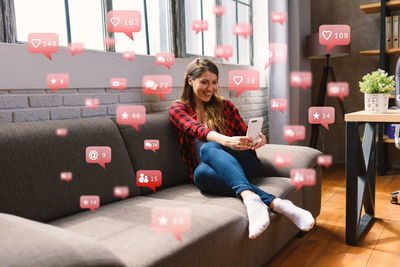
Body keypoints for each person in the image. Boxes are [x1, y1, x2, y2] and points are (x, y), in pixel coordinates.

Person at [169, 58, 315, 239]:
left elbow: (244, 133)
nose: (210, 88)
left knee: (207, 148)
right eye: (204, 82)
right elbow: (197, 129)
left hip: (242, 162)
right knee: (200, 175)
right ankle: (274, 203)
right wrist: (227, 141)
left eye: (214, 82)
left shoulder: (225, 106)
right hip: (213, 171)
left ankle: (255, 199)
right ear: (190, 81)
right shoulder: (178, 109)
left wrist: (258, 139)